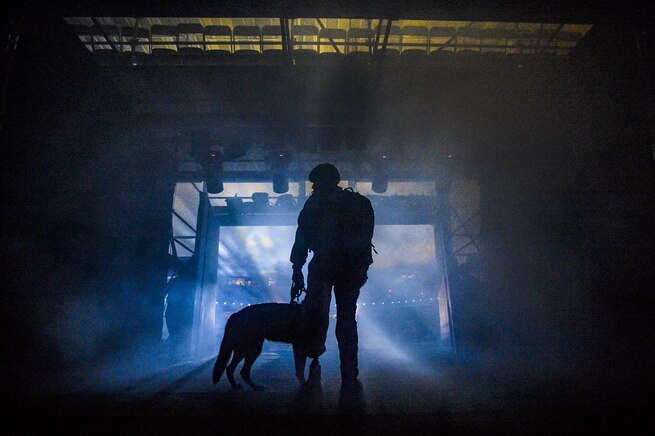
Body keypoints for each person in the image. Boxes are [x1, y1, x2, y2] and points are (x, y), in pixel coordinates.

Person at [290, 163, 374, 394]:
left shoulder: (314, 204)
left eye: (316, 183)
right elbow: (366, 239)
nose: (314, 187)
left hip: (323, 266)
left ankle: (314, 364)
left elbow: (302, 238)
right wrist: (362, 269)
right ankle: (349, 372)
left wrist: (297, 269)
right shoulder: (359, 203)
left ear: (323, 181)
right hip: (349, 269)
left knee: (317, 318)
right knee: (346, 320)